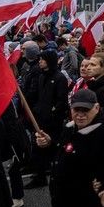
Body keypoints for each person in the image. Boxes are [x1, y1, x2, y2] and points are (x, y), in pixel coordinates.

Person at [36, 88, 104, 207]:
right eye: (77, 109)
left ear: (96, 108)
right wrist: (49, 144)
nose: (80, 114)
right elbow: (62, 157)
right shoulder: (69, 129)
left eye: (85, 110)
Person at [24, 50, 69, 189]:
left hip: (53, 122)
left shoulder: (59, 78)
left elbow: (61, 101)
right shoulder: (42, 76)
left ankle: (53, 175)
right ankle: (39, 175)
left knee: (52, 149)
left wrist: (52, 112)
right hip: (40, 118)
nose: (40, 61)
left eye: (43, 59)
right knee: (39, 148)